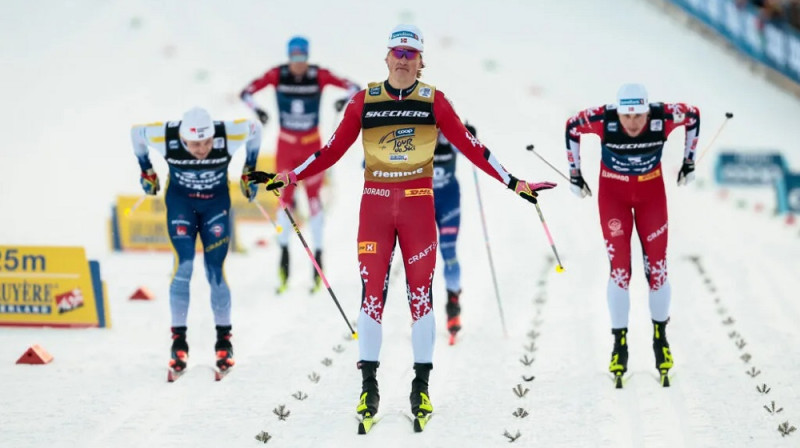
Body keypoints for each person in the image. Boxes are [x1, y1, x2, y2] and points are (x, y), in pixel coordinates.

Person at [249, 24, 556, 428]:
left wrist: (515, 183)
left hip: (417, 207)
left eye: (412, 55)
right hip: (375, 207)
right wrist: (289, 176)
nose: (404, 61)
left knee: (420, 299)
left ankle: (421, 387)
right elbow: (330, 152)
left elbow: (473, 148)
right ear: (387, 57)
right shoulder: (363, 101)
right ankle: (369, 388)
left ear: (421, 61)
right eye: (399, 53)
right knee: (371, 297)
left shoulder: (435, 101)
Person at [564, 83, 700, 385]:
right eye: (627, 117)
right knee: (621, 271)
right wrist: (575, 174)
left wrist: (689, 161)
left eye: (639, 115)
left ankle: (660, 340)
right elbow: (572, 126)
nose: (634, 123)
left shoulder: (663, 116)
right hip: (614, 198)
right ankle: (619, 345)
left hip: (651, 196)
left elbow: (693, 116)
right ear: (619, 112)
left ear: (647, 110)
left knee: (658, 269)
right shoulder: (603, 119)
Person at [130, 107, 262, 379]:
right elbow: (136, 133)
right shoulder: (166, 136)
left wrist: (250, 168)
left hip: (216, 205)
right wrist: (146, 170)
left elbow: (256, 129)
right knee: (184, 266)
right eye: (194, 144)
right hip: (181, 205)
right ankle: (178, 343)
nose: (201, 149)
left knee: (215, 269)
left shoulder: (229, 132)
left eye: (206, 143)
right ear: (182, 138)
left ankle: (224, 342)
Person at [240, 35, 361, 293]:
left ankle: (318, 266)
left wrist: (345, 101)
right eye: (294, 57)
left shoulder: (317, 74)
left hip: (311, 146)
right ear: (288, 56)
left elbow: (354, 87)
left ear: (307, 56)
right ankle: (283, 264)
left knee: (314, 201)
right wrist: (258, 111)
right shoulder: (278, 74)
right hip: (285, 147)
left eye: (302, 57)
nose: (298, 63)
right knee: (284, 201)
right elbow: (246, 92)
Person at [432, 123, 477, 339]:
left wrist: (469, 136)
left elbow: (470, 150)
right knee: (420, 255)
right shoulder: (417, 131)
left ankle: (453, 305)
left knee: (448, 252)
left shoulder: (450, 134)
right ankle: (420, 308)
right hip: (421, 200)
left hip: (448, 201)